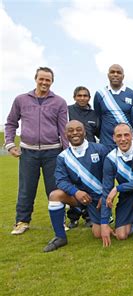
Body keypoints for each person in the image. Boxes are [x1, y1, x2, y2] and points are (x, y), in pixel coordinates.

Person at [5, 67, 68, 235]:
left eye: (48, 80)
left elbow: (64, 129)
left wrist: (67, 152)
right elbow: (11, 123)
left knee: (55, 189)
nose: (44, 82)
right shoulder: (21, 100)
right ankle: (22, 221)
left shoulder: (59, 102)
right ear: (36, 79)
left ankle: (60, 221)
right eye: (42, 79)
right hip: (28, 152)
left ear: (52, 82)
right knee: (26, 189)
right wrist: (10, 144)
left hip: (53, 152)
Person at [43, 120, 109, 252]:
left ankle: (99, 216)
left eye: (78, 129)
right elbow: (61, 180)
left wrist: (105, 195)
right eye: (71, 130)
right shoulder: (63, 157)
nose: (75, 133)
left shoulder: (99, 149)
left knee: (97, 234)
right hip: (79, 198)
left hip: (98, 199)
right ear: (65, 134)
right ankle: (60, 237)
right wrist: (75, 192)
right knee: (55, 195)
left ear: (84, 132)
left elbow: (109, 175)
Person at [100, 123, 133, 246]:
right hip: (127, 194)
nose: (123, 139)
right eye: (119, 136)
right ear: (114, 138)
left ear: (132, 135)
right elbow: (106, 191)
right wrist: (104, 223)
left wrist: (118, 188)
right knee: (121, 235)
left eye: (126, 135)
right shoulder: (110, 159)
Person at [67, 86, 100, 228]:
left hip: (90, 155)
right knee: (74, 184)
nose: (82, 98)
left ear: (89, 98)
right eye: (79, 95)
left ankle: (89, 216)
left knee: (89, 185)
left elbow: (98, 132)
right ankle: (73, 217)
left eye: (85, 95)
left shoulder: (94, 114)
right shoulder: (67, 110)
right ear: (74, 97)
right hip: (72, 154)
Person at [93, 64, 133, 149]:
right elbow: (98, 118)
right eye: (112, 72)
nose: (115, 74)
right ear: (108, 75)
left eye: (118, 72)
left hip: (127, 144)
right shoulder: (100, 94)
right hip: (106, 143)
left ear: (123, 76)